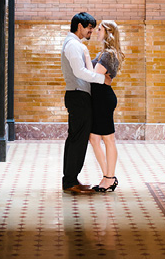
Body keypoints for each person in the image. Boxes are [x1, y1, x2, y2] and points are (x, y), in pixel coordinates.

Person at [61, 12, 112, 194]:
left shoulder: (75, 44)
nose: (91, 31)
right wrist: (101, 79)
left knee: (77, 139)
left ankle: (71, 179)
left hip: (79, 96)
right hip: (78, 96)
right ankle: (69, 182)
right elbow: (80, 72)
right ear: (80, 26)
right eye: (90, 28)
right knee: (77, 140)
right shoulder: (73, 45)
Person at [88, 20, 124, 192]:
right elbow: (98, 76)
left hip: (103, 99)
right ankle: (107, 176)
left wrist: (90, 69)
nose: (96, 32)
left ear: (108, 32)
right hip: (100, 98)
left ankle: (109, 178)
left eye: (99, 29)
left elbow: (93, 76)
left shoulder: (108, 54)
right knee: (94, 139)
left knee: (108, 139)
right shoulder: (106, 53)